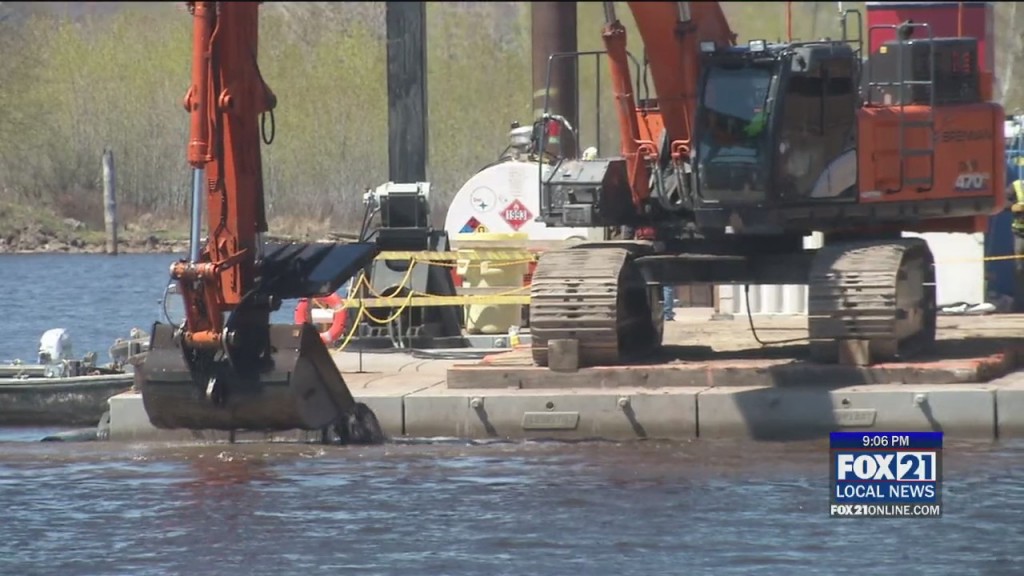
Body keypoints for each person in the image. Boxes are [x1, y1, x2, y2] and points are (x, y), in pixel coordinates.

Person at [1008, 178, 1024, 312]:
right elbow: (1003, 203)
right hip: (1020, 234)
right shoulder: (1016, 186)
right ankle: (1020, 304)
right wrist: (1014, 207)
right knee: (1019, 269)